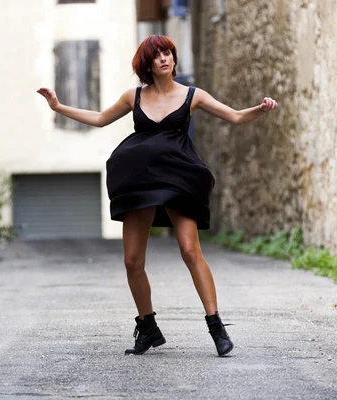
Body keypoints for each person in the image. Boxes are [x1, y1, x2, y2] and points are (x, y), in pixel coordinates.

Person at [37, 34, 277, 357]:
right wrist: (57, 106)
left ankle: (216, 327)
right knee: (132, 260)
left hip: (179, 177)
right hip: (140, 178)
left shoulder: (193, 95)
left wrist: (260, 110)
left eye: (168, 53)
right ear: (147, 64)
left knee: (191, 250)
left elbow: (234, 116)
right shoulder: (133, 96)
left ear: (174, 60)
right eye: (157, 55)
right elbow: (98, 119)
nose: (164, 58)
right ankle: (148, 326)